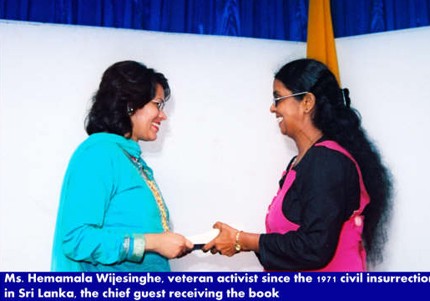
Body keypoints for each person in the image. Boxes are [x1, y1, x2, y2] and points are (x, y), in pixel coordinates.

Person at [203, 58, 393, 271]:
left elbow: (314, 248)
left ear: (307, 103)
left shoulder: (327, 162)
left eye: (278, 99)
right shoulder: (301, 162)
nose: (272, 108)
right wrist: (240, 241)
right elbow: (290, 246)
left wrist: (243, 240)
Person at [51, 60, 193, 271]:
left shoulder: (129, 159)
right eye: (157, 104)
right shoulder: (98, 154)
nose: (163, 115)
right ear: (130, 104)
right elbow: (76, 238)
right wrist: (153, 242)